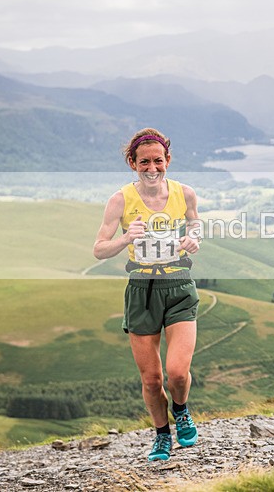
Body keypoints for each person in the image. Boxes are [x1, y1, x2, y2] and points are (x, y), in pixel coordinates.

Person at [93, 128, 202, 461]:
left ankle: (181, 410)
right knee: (152, 380)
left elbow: (195, 223)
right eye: (144, 162)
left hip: (179, 285)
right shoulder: (121, 200)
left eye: (158, 161)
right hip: (141, 290)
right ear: (132, 163)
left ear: (168, 160)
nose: (152, 168)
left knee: (178, 373)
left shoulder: (185, 193)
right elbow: (99, 249)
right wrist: (125, 239)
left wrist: (194, 238)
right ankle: (161, 435)